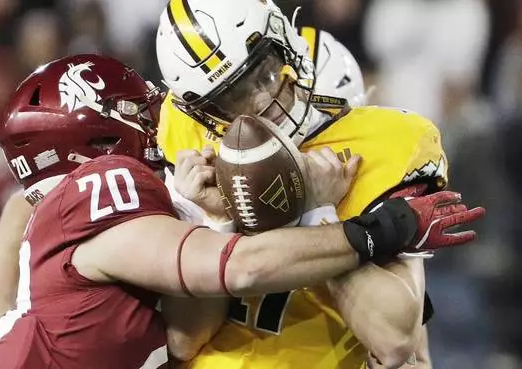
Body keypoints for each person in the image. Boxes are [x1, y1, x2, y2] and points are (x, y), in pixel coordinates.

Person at [0, 54, 481, 369]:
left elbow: (401, 345)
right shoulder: (106, 189)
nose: (157, 119)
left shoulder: (117, 194)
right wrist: (377, 224)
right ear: (100, 137)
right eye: (139, 111)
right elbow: (240, 266)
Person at [155, 0, 474, 367]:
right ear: (205, 113)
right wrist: (210, 222)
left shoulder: (380, 143)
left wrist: (319, 214)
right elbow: (184, 340)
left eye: (264, 71)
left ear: (285, 41)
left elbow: (394, 342)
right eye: (233, 97)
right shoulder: (194, 144)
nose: (260, 99)